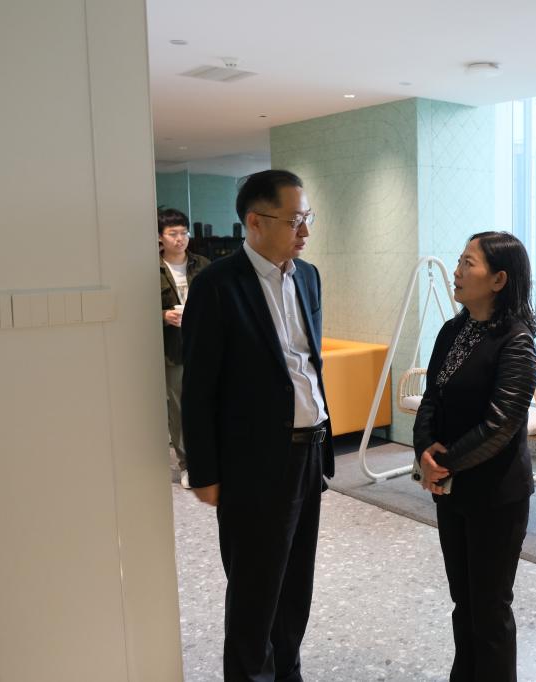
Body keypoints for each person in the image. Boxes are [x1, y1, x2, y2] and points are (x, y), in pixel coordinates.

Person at [181, 170, 334, 682]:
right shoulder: (217, 286)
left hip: (309, 451)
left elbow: (306, 364)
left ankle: (288, 673)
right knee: (254, 592)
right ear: (255, 221)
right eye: (294, 221)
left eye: (307, 218)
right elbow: (198, 387)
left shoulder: (307, 276)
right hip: (253, 462)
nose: (304, 231)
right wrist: (205, 473)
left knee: (296, 587)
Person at [413, 231, 536, 682]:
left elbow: (500, 425)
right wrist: (423, 451)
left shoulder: (516, 341)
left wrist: (443, 462)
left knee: (490, 609)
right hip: (453, 489)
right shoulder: (454, 330)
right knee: (463, 602)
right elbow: (431, 398)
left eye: (468, 263)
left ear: (499, 279)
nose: (457, 271)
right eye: (459, 261)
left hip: (497, 495)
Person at [158, 207, 209, 490]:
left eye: (184, 232)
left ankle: (211, 459)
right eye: (173, 233)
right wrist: (164, 315)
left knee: (209, 402)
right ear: (160, 237)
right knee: (180, 408)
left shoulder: (202, 264)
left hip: (204, 343)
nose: (180, 238)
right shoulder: (151, 268)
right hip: (173, 349)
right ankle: (188, 464)